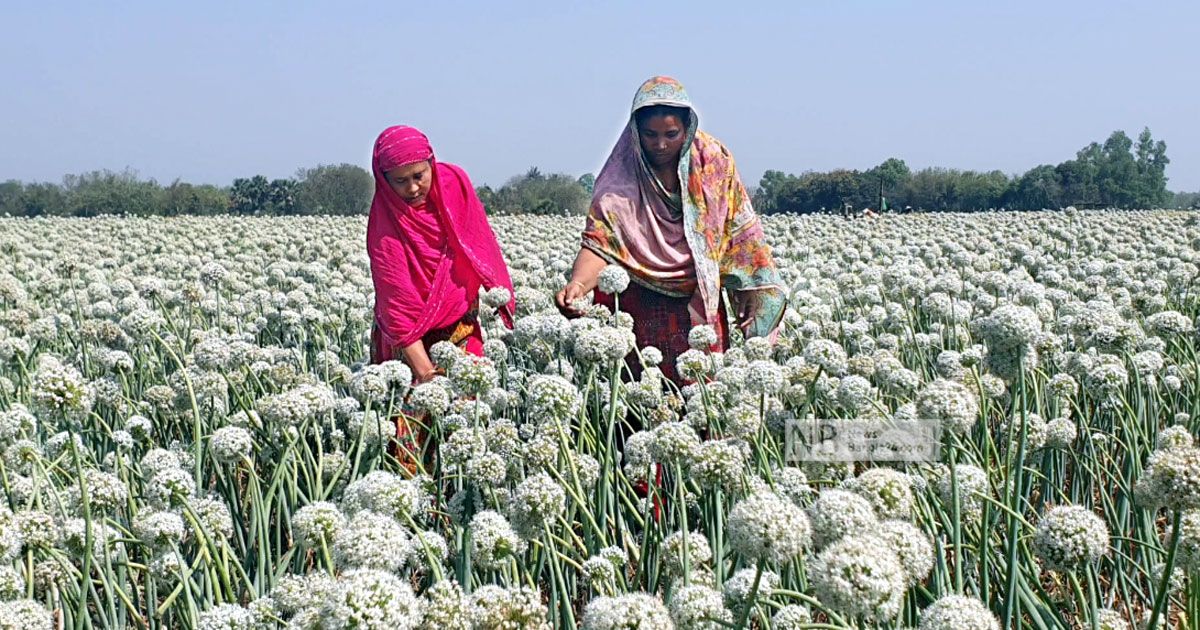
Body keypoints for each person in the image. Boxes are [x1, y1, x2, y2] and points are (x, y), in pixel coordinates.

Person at [555, 76, 786, 387]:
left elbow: (739, 233)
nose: (660, 144)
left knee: (704, 399)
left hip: (699, 305)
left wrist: (750, 289)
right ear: (635, 132)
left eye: (671, 134)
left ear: (687, 128)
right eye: (650, 134)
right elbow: (601, 244)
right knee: (642, 397)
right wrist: (579, 284)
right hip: (638, 309)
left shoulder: (713, 164)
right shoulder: (619, 184)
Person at [366, 125, 515, 470]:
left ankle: (464, 502)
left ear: (432, 163)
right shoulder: (386, 225)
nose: (412, 188)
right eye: (399, 181)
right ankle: (420, 512)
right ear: (383, 180)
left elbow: (477, 241)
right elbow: (396, 304)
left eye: (418, 175)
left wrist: (495, 292)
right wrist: (423, 371)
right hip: (409, 346)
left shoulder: (454, 187)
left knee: (468, 425)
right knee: (410, 439)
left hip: (462, 331)